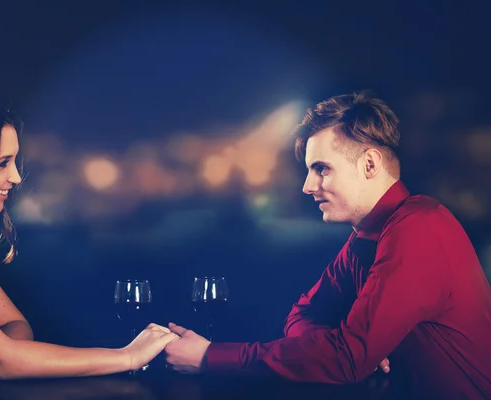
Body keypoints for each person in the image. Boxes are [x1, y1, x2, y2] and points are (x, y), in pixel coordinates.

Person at [164, 92, 491, 398]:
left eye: (321, 169)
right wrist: (351, 351)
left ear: (369, 165)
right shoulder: (369, 236)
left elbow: (346, 360)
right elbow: (302, 314)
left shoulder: (419, 227)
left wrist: (209, 356)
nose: (308, 187)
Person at [0, 96, 178, 400]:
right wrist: (128, 357)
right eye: (3, 163)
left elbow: (15, 325)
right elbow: (4, 359)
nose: (15, 177)